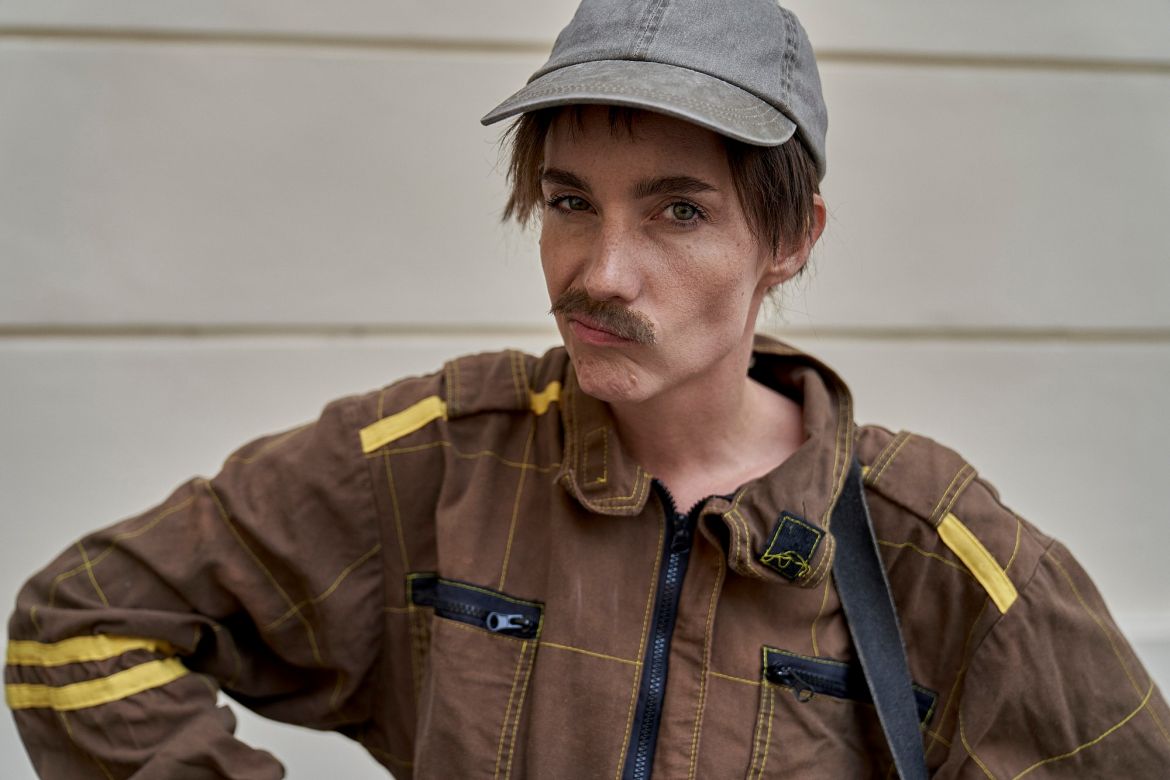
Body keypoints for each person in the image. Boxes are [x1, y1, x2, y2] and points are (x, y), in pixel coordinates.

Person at [6, 0, 1169, 777]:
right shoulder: (441, 461)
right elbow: (77, 628)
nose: (600, 273)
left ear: (791, 238)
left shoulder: (932, 547)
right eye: (570, 202)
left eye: (679, 210)